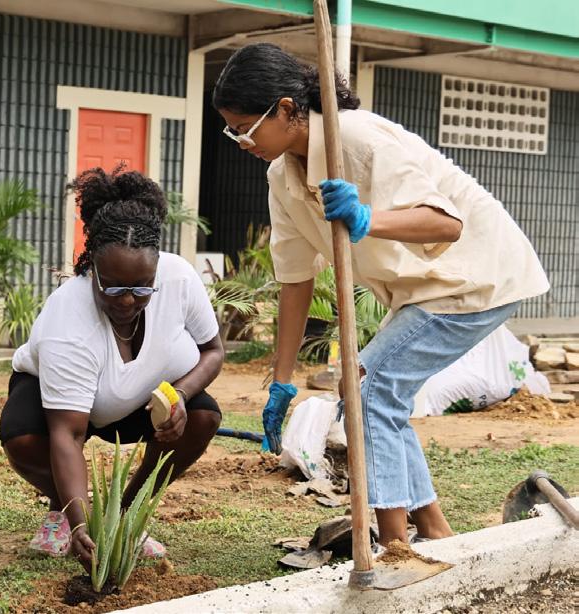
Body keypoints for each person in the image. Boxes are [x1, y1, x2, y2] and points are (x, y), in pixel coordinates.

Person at [211, 43, 548, 547]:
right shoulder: (281, 176)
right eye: (231, 130)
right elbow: (296, 279)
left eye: (245, 127)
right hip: (423, 290)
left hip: (473, 274)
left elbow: (445, 223)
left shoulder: (355, 138)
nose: (240, 141)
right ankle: (431, 528)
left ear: (285, 109)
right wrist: (280, 381)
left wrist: (368, 218)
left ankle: (394, 546)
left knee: (368, 390)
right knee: (376, 391)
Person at [0, 167, 224, 565]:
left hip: (141, 401)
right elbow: (68, 435)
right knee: (22, 438)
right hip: (58, 404)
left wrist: (182, 395)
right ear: (93, 271)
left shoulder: (179, 279)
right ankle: (63, 509)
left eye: (141, 288)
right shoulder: (67, 321)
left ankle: (125, 513)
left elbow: (213, 350)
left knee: (203, 416)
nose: (127, 301)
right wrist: (82, 526)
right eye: (114, 288)